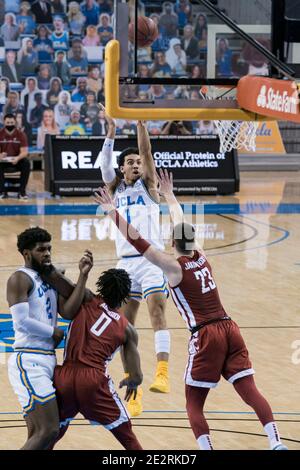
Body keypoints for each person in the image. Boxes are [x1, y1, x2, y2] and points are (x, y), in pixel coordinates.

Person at [94, 170, 289, 451]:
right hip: (231, 329)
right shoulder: (202, 256)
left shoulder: (175, 267)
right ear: (192, 241)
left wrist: (113, 212)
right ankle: (276, 442)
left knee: (193, 403)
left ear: (172, 244)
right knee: (251, 392)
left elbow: (140, 242)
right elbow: (182, 224)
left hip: (206, 335)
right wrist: (170, 196)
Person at [99, 109, 170, 418]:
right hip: (126, 264)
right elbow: (104, 165)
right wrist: (112, 130)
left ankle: (163, 372)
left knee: (157, 310)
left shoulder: (149, 186)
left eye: (138, 162)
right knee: (127, 330)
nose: (137, 164)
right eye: (131, 162)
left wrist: (142, 124)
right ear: (122, 168)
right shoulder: (116, 189)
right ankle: (135, 389)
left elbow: (147, 151)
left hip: (152, 258)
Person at [6, 226, 92, 449]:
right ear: (27, 253)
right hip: (28, 359)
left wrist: (83, 276)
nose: (47, 254)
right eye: (41, 250)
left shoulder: (50, 277)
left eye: (49, 249)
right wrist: (53, 331)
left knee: (42, 435)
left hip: (48, 358)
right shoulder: (19, 278)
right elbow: (21, 322)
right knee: (49, 430)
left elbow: (69, 311)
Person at [43, 262, 143, 450]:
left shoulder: (86, 298)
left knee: (51, 435)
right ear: (125, 297)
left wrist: (58, 270)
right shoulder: (128, 329)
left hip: (64, 376)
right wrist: (133, 382)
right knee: (127, 436)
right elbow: (136, 375)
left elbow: (56, 278)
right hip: (93, 380)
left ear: (102, 286)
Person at [0, 114, 29, 200]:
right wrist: (0, 155)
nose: (9, 124)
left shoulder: (21, 134)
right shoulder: (0, 134)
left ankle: (22, 192)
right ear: (4, 122)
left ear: (15, 122)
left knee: (26, 163)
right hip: (3, 162)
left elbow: (25, 152)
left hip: (17, 161)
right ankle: (2, 191)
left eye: (11, 122)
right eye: (8, 122)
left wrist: (17, 158)